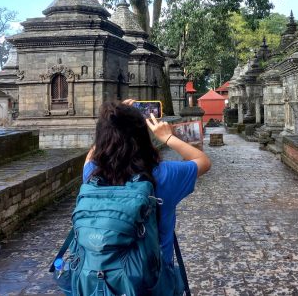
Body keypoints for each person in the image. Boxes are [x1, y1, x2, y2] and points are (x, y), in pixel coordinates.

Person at [82, 99, 211, 268]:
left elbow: (92, 155)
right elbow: (203, 161)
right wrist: (167, 137)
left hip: (102, 274)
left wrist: (111, 120)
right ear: (143, 136)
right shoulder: (164, 174)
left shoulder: (92, 173)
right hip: (154, 274)